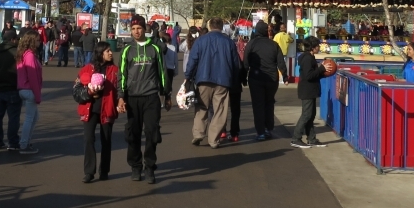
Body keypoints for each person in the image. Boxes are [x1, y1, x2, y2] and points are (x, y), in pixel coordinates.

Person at [118, 15, 171, 183]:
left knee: (151, 132)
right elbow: (122, 76)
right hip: (133, 98)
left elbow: (163, 72)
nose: (136, 31)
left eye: (139, 28)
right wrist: (121, 97)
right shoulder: (127, 50)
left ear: (144, 29)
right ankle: (135, 166)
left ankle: (149, 167)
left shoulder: (154, 49)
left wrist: (166, 94)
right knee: (133, 134)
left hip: (151, 97)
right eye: (133, 29)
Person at [185, 17, 242, 149]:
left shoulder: (200, 40)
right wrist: (234, 80)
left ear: (210, 26)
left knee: (201, 107)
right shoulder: (228, 42)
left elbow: (193, 60)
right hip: (223, 80)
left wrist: (188, 77)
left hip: (203, 78)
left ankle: (198, 134)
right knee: (220, 110)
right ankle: (213, 139)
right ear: (222, 27)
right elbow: (235, 64)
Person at [77, 41, 120, 182]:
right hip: (90, 109)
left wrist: (120, 101)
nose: (110, 53)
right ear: (100, 53)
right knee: (88, 139)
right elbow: (76, 88)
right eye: (107, 51)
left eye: (110, 51)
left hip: (107, 110)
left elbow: (119, 88)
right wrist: (89, 92)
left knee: (106, 140)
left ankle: (104, 171)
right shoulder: (87, 69)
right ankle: (89, 172)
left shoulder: (115, 70)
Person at [245, 21, 287, 140]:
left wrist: (243, 77)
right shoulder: (274, 45)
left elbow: (245, 62)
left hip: (256, 77)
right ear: (266, 31)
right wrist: (285, 76)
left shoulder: (251, 44)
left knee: (258, 104)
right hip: (272, 79)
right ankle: (269, 128)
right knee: (269, 103)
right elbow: (280, 62)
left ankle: (260, 132)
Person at [290, 36, 327, 149]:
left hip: (311, 89)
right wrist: (321, 69)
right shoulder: (307, 59)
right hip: (307, 90)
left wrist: (322, 71)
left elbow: (312, 74)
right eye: (317, 45)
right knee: (306, 114)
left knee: (311, 115)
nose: (319, 47)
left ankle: (311, 138)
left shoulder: (310, 57)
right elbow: (308, 75)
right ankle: (296, 138)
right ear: (313, 47)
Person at [0, 30, 21, 151]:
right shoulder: (16, 53)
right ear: (12, 40)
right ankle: (12, 142)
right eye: (17, 39)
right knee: (13, 117)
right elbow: (21, 71)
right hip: (13, 88)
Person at [16, 31, 43, 155]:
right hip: (29, 89)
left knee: (34, 117)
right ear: (32, 41)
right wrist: (37, 95)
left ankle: (25, 142)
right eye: (37, 40)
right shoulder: (30, 56)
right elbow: (33, 77)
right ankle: (24, 144)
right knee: (30, 118)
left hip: (23, 88)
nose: (39, 42)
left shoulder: (23, 54)